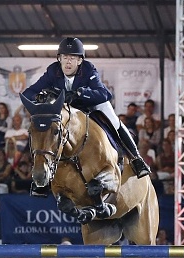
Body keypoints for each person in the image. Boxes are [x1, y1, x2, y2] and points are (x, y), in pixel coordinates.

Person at [22, 37, 151, 194]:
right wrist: (41, 97)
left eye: (72, 58)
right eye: (64, 58)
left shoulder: (88, 69)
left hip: (92, 105)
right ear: (59, 59)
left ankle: (137, 159)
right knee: (46, 131)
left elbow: (105, 94)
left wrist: (79, 93)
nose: (67, 62)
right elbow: (29, 93)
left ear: (79, 60)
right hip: (69, 111)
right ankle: (41, 178)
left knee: (114, 120)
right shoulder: (53, 71)